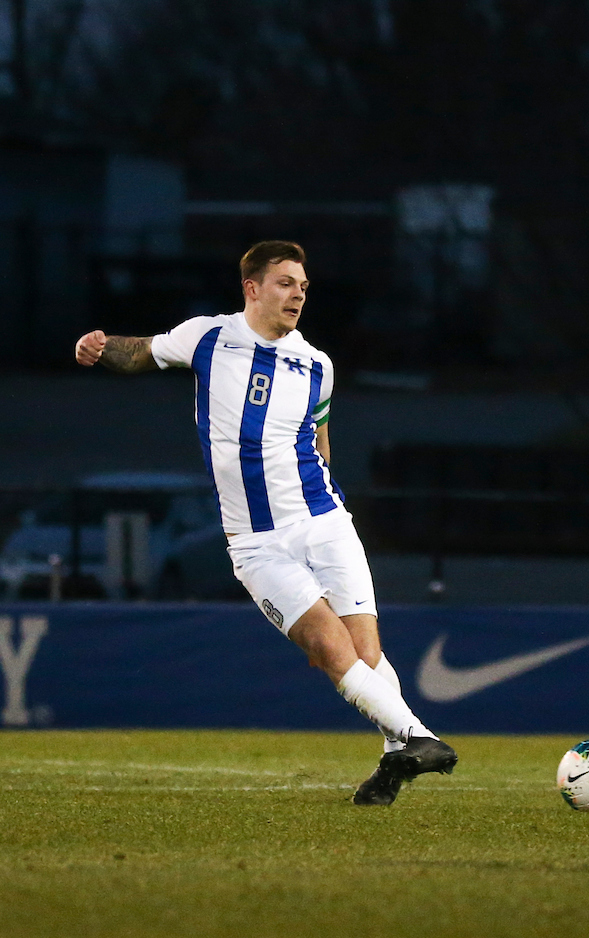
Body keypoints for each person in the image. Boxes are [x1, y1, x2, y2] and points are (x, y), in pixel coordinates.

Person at [74, 240, 456, 805]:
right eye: (284, 283)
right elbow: (142, 352)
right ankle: (420, 738)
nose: (297, 293)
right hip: (257, 542)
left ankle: (395, 759)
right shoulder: (210, 335)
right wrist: (98, 347)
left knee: (365, 653)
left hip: (325, 520)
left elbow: (321, 442)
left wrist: (333, 504)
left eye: (302, 285)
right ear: (252, 288)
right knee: (329, 648)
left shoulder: (317, 365)